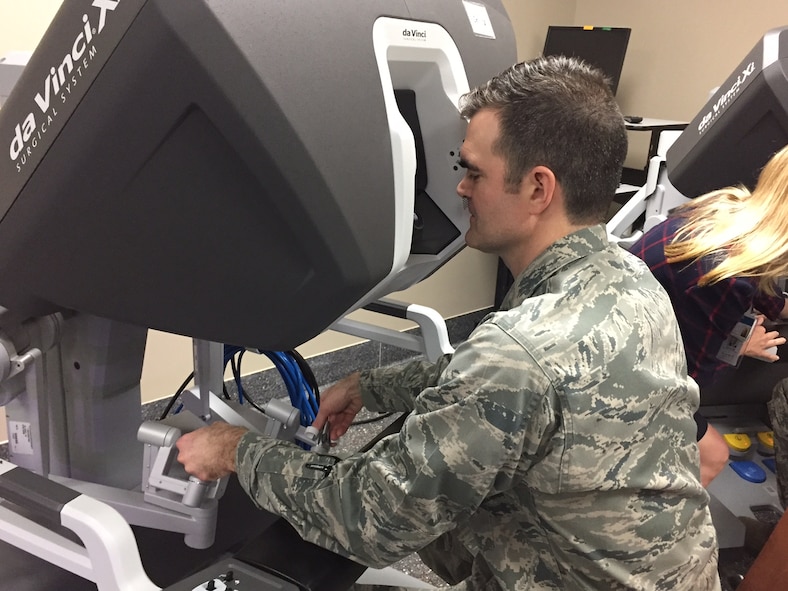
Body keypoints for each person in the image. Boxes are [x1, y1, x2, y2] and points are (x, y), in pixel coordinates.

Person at [176, 56, 719, 591]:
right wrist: (369, 384)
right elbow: (493, 378)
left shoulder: (519, 353)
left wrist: (233, 449)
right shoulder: (629, 278)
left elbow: (368, 516)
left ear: (538, 189)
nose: (460, 189)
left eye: (474, 172)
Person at [629, 143, 788, 487]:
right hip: (633, 369)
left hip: (637, 324)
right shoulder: (727, 278)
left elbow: (764, 289)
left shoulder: (725, 206)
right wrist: (742, 345)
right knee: (713, 456)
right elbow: (692, 381)